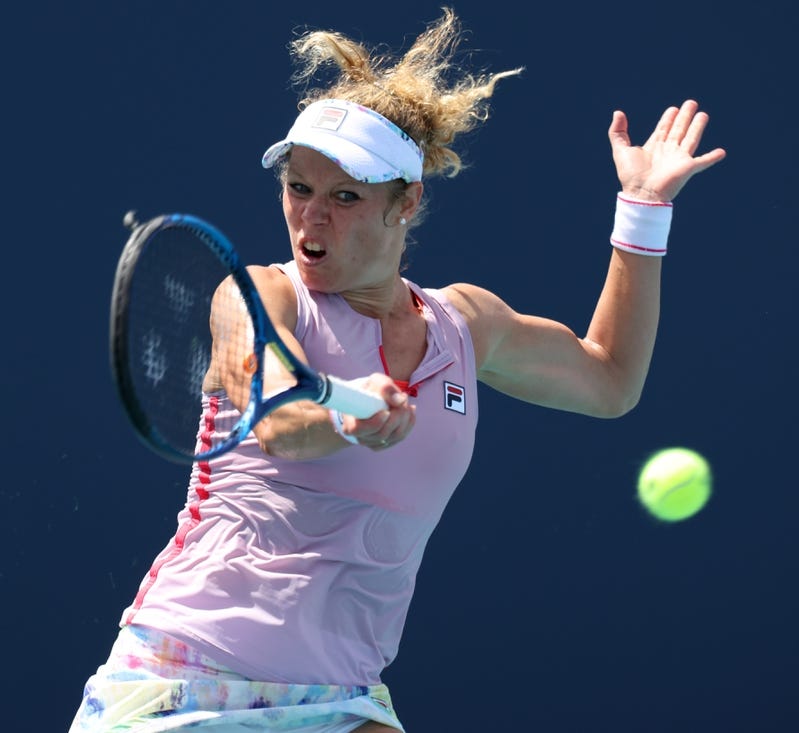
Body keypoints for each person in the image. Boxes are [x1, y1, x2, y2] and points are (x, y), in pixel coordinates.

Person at [69, 7, 725, 732]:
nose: (311, 218)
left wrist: (643, 210)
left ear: (405, 203)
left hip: (341, 696)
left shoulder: (465, 326)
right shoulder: (258, 294)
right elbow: (281, 423)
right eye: (299, 187)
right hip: (187, 676)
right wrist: (345, 421)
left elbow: (609, 380)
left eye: (345, 197)